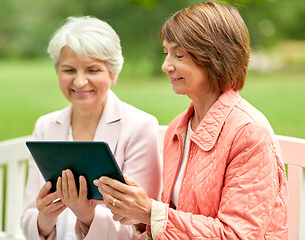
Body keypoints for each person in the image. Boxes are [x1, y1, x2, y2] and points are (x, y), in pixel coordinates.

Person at [94, 2, 289, 239]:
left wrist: (150, 212)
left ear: (216, 56)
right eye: (166, 53)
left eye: (179, 55)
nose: (166, 66)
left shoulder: (249, 132)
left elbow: (237, 235)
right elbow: (177, 216)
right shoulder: (178, 128)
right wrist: (140, 214)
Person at [21, 16, 162, 240]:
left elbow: (141, 225)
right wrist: (45, 218)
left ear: (113, 74)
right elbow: (29, 216)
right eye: (69, 70)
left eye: (93, 70)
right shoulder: (46, 126)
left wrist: (87, 216)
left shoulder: (140, 127)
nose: (79, 82)